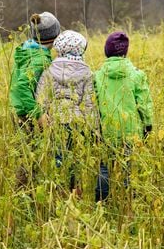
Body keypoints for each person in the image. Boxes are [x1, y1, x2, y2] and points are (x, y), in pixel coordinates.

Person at [35, 30, 100, 198]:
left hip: (55, 121)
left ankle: (58, 192)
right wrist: (94, 130)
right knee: (75, 158)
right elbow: (89, 104)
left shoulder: (49, 71)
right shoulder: (87, 73)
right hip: (77, 123)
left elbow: (40, 98)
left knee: (58, 156)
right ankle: (74, 192)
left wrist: (42, 117)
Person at [93, 31, 154, 201]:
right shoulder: (137, 75)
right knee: (129, 168)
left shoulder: (97, 76)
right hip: (131, 132)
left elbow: (94, 104)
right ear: (125, 52)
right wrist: (148, 126)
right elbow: (145, 104)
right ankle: (130, 201)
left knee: (105, 167)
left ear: (106, 51)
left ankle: (101, 201)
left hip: (106, 131)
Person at [9, 11, 60, 186]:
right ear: (55, 35)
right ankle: (24, 199)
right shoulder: (39, 60)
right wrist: (39, 114)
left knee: (27, 160)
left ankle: (26, 195)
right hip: (28, 116)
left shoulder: (28, 50)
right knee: (29, 163)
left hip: (20, 111)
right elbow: (22, 86)